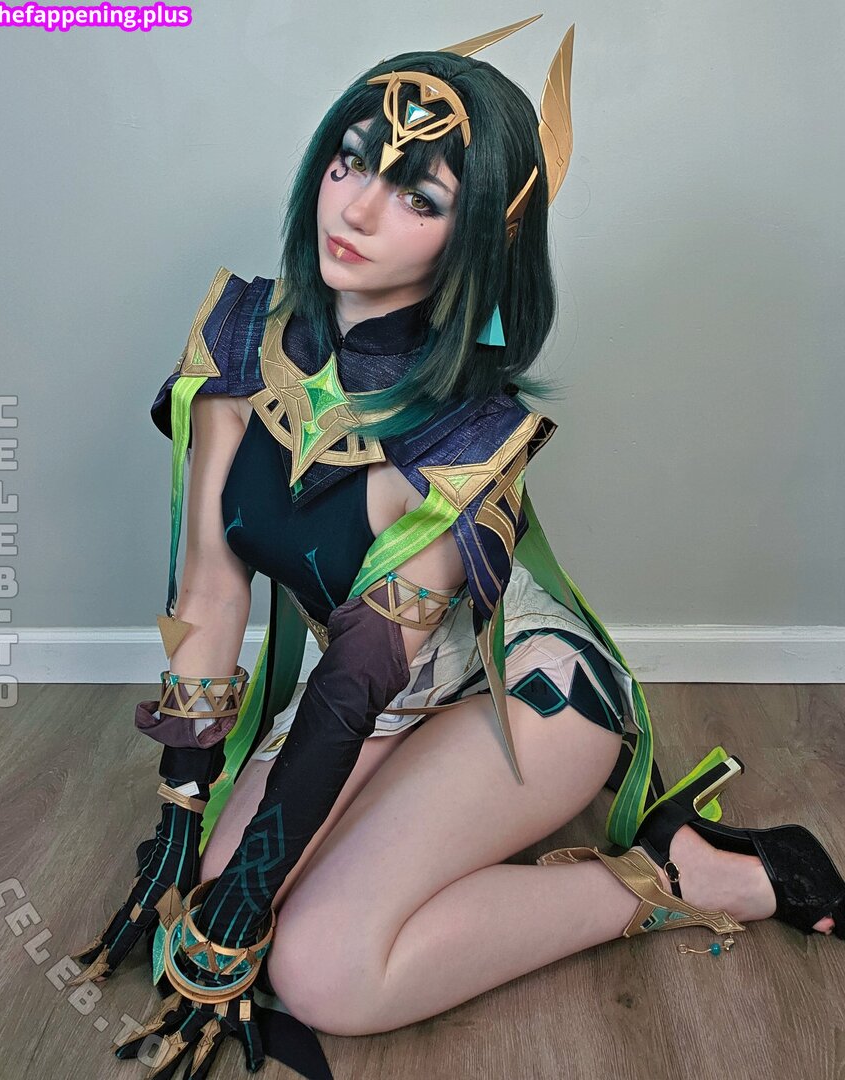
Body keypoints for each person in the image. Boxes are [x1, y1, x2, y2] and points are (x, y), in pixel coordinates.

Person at [69, 17, 843, 1080]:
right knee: (197, 906)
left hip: (526, 698)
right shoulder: (236, 346)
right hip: (387, 710)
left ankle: (688, 879)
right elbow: (210, 591)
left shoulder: (469, 437)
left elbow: (354, 683)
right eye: (350, 161)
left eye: (419, 198)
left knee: (321, 972)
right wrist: (179, 812)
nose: (355, 207)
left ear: (477, 236)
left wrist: (252, 888)